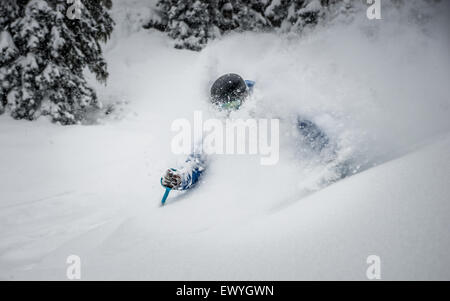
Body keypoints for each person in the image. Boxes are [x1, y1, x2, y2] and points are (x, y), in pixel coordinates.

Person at [161, 73, 332, 192]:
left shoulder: (269, 104)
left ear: (244, 97)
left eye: (231, 105)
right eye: (222, 107)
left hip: (295, 169)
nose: (228, 111)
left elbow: (304, 126)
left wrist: (327, 154)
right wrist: (180, 179)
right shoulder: (218, 123)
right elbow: (196, 161)